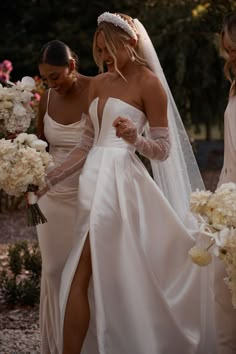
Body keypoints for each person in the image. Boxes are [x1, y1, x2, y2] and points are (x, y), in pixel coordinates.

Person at [41, 13, 216, 354]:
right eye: (99, 51)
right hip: (92, 180)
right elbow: (85, 145)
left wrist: (135, 137)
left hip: (119, 185)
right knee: (97, 274)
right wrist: (49, 179)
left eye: (109, 49)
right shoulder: (99, 84)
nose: (104, 58)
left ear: (131, 43)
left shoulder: (149, 84)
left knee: (80, 274)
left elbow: (164, 151)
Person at [36, 39, 92, 354]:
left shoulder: (96, 90)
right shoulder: (46, 99)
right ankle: (55, 345)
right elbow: (39, 143)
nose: (51, 84)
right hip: (51, 196)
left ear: (71, 66)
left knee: (84, 274)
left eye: (55, 76)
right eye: (46, 78)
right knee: (54, 269)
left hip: (88, 193)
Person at [214, 12, 236, 354]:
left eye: (234, 48)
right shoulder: (234, 86)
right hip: (229, 198)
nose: (230, 55)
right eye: (227, 49)